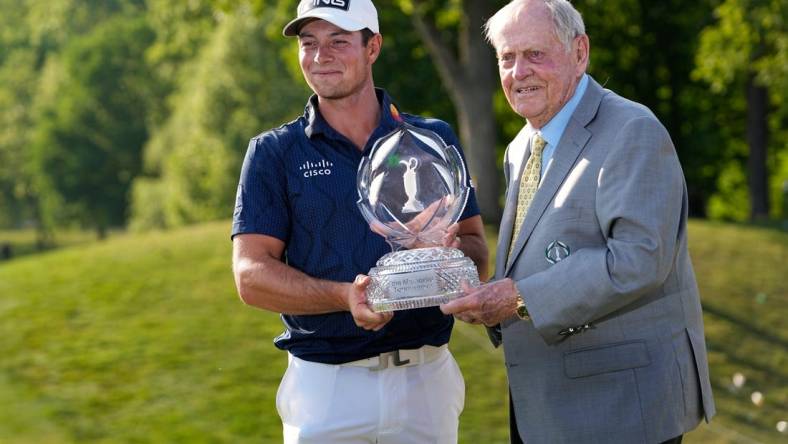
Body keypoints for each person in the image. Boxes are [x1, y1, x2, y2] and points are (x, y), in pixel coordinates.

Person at [440, 1, 715, 443]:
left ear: (580, 52)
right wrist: (480, 291)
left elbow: (638, 260)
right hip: (546, 408)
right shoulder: (521, 147)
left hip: (621, 409)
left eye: (535, 54)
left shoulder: (632, 129)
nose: (519, 72)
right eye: (507, 58)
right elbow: (533, 260)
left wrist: (517, 299)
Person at [231, 0, 489, 442]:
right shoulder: (274, 153)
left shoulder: (432, 140)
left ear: (374, 47)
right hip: (326, 388)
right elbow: (250, 276)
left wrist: (446, 257)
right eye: (309, 43)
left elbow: (476, 252)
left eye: (338, 41)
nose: (320, 56)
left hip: (426, 381)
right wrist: (345, 296)